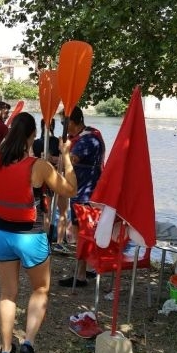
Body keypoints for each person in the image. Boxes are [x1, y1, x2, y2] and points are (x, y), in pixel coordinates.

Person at [0, 112, 77, 353]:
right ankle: (28, 342)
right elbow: (71, 189)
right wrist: (66, 156)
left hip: (2, 234)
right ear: (32, 136)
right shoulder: (39, 166)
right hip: (30, 236)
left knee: (8, 293)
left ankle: (6, 349)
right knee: (40, 289)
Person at [58, 106, 106, 287]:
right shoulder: (83, 137)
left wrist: (61, 154)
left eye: (64, 123)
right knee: (83, 232)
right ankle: (88, 269)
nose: (63, 127)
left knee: (83, 232)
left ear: (74, 122)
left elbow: (71, 161)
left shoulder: (88, 139)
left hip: (85, 192)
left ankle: (80, 275)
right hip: (81, 190)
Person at [32, 118, 70, 254]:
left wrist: (48, 159)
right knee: (62, 211)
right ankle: (58, 242)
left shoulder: (35, 143)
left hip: (45, 180)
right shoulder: (58, 142)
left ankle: (45, 241)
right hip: (57, 178)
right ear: (53, 126)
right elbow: (63, 161)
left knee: (46, 212)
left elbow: (32, 160)